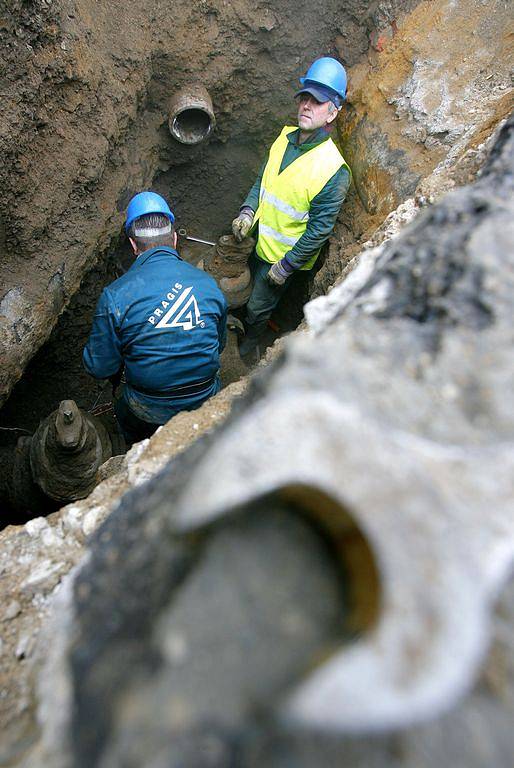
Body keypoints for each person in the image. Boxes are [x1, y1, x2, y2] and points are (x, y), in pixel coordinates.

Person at [83, 191, 227, 445]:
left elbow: (99, 367)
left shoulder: (116, 296)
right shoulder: (208, 285)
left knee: (130, 420)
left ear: (133, 245)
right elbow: (220, 344)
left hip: (148, 410)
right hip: (205, 400)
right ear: (173, 239)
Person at [232, 57, 351, 356]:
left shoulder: (334, 170)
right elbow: (263, 181)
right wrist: (247, 212)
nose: (307, 106)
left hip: (280, 260)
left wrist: (286, 267)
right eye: (305, 98)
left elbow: (320, 230)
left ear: (333, 113)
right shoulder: (284, 137)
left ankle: (249, 349)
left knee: (259, 306)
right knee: (240, 289)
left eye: (318, 101)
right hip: (256, 241)